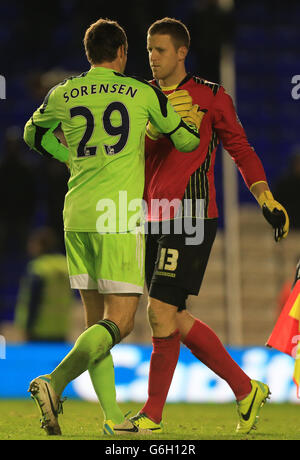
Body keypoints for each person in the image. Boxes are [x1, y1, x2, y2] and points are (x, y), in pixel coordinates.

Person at [23, 18, 201, 436]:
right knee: (120, 323)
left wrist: (67, 157)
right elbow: (186, 142)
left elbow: (34, 135)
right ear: (122, 53)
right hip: (117, 216)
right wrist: (186, 123)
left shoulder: (63, 92)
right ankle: (54, 382)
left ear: (90, 53)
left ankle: (112, 418)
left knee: (95, 329)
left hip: (77, 215)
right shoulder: (143, 92)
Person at [129, 17, 289, 436]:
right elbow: (132, 155)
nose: (153, 58)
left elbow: (241, 149)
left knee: (160, 312)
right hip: (151, 217)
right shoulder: (142, 97)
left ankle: (151, 416)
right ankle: (245, 388)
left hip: (193, 214)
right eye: (149, 50)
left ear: (182, 52)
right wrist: (152, 128)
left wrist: (265, 197)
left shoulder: (212, 97)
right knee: (172, 317)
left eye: (160, 50)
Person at [14, 227, 73, 342]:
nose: (29, 247)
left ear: (40, 245)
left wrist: (27, 327)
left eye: (32, 243)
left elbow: (33, 301)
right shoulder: (66, 265)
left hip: (39, 330)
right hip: (61, 328)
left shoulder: (38, 268)